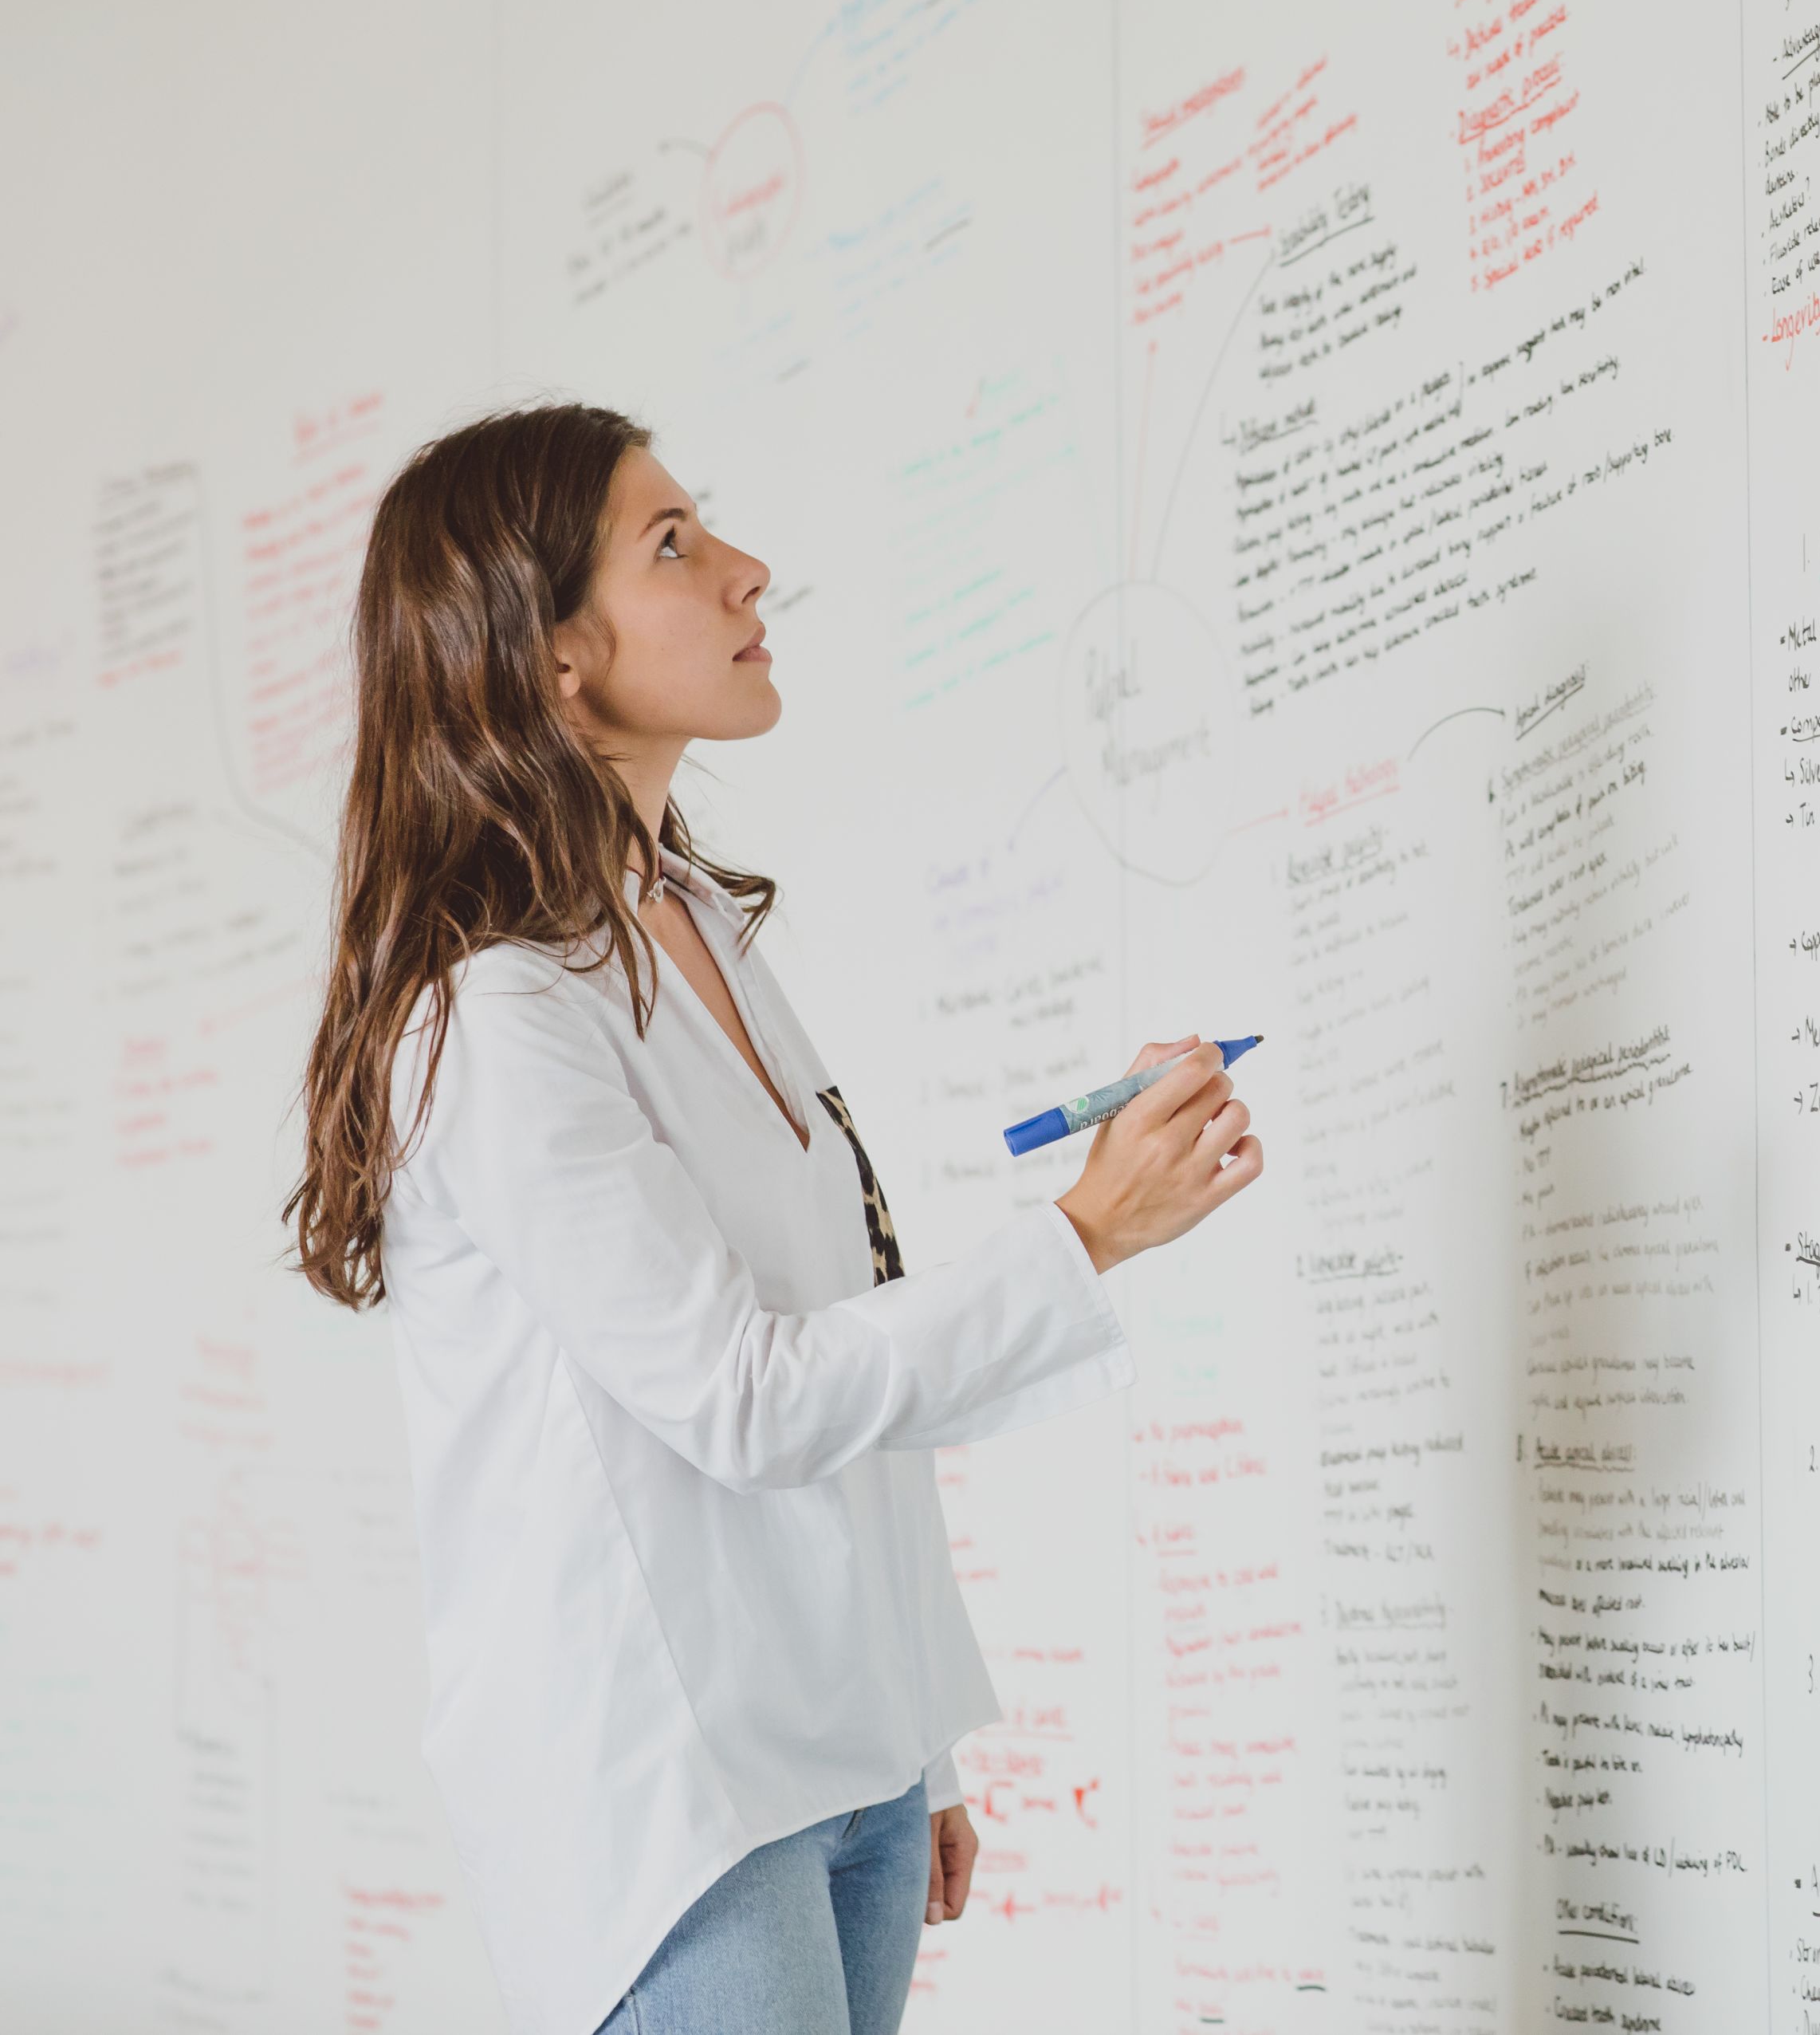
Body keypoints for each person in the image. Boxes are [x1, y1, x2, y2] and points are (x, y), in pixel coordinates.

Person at [281, 401, 1262, 2035]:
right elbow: (741, 1392)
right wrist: (1085, 1232)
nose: (748, 574)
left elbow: (837, 1320)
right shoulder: (498, 1022)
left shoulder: (704, 934)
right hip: (673, 1796)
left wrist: (915, 1736)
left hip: (842, 1751)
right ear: (552, 659)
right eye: (672, 544)